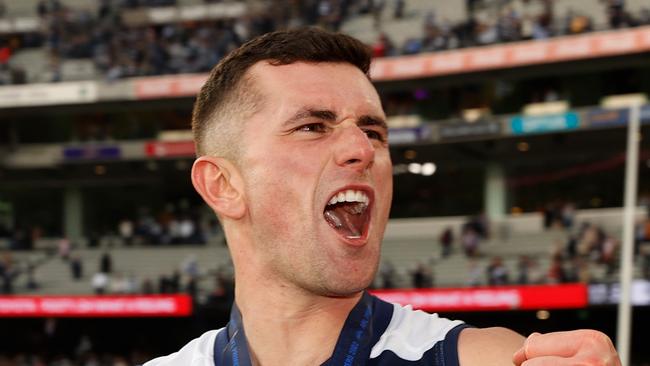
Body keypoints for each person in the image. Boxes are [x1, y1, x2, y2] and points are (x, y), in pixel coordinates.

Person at [143, 28, 620, 366]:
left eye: (372, 130)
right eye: (312, 127)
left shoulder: (484, 358)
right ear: (223, 186)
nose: (362, 149)